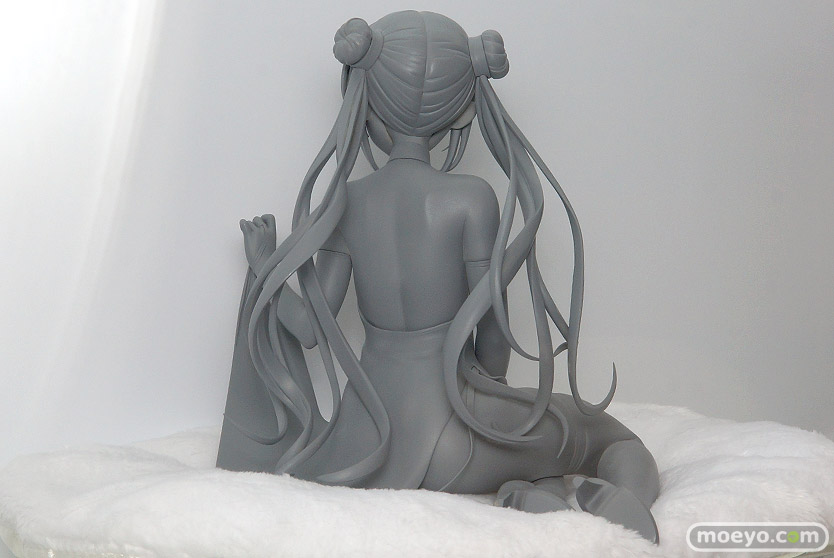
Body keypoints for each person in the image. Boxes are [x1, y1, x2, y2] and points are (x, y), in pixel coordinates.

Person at [217, 10, 660, 542]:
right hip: (460, 439)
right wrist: (497, 407)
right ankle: (614, 498)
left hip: (367, 449)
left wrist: (264, 263)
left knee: (523, 455)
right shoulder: (471, 198)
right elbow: (492, 333)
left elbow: (310, 330)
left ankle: (525, 493)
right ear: (465, 109)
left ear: (362, 100)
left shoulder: (346, 203)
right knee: (609, 439)